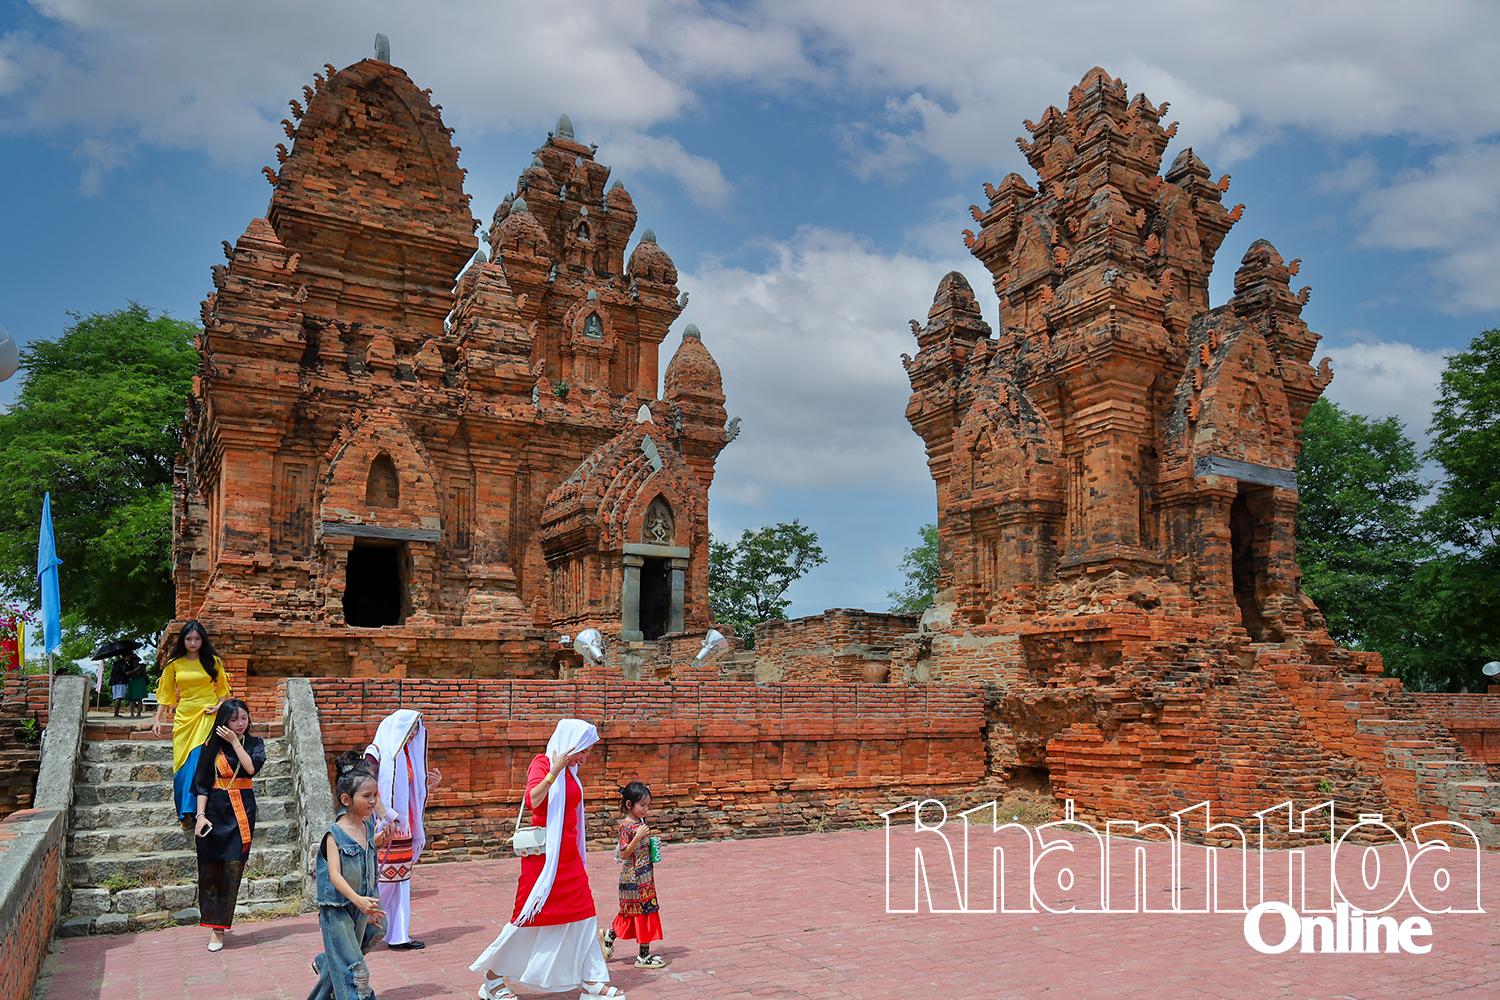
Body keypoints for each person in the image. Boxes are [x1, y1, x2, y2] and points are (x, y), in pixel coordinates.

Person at [470, 718, 622, 1000]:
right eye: (584, 751)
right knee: (527, 919)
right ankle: (491, 979)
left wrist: (567, 767)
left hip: (569, 858)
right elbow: (534, 800)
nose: (587, 757)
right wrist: (557, 768)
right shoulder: (543, 763)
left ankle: (591, 981)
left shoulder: (573, 771)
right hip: (543, 861)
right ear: (571, 746)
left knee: (585, 916)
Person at [307, 758, 389, 1000]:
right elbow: (334, 875)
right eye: (367, 796)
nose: (373, 801)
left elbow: (365, 859)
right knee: (355, 972)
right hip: (339, 909)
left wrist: (378, 841)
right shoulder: (334, 834)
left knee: (376, 931)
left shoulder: (366, 827)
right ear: (346, 800)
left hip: (362, 904)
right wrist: (359, 901)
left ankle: (326, 963)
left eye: (375, 795)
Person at [362, 710, 442, 950]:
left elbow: (409, 793)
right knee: (380, 881)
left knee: (400, 882)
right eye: (411, 728)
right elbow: (367, 791)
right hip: (381, 825)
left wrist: (429, 785)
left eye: (417, 729)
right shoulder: (375, 753)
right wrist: (388, 816)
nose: (414, 734)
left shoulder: (407, 756)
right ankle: (360, 927)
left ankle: (398, 935)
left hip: (402, 827)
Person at [191, 698, 265, 951]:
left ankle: (219, 929)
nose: (240, 723)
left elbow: (251, 769)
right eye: (234, 719)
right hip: (213, 812)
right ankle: (214, 924)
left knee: (232, 870)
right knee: (210, 870)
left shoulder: (255, 744)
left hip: (241, 811)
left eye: (243, 718)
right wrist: (200, 816)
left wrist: (235, 742)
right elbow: (201, 784)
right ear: (223, 720)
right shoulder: (209, 747)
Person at [153, 621, 232, 826]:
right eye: (189, 639)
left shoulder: (213, 661)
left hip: (207, 714)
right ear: (183, 641)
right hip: (184, 717)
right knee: (181, 765)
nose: (193, 642)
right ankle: (183, 811)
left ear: (203, 640)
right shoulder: (174, 664)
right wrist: (157, 719)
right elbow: (165, 694)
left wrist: (218, 707)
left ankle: (193, 810)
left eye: (197, 638)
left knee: (198, 759)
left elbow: (224, 692)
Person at [601, 781, 665, 969]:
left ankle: (609, 935)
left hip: (645, 875)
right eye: (642, 805)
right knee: (642, 912)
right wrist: (638, 838)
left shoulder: (641, 823)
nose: (646, 809)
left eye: (648, 805)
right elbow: (623, 854)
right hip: (633, 878)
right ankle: (643, 956)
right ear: (630, 805)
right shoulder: (626, 826)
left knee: (635, 913)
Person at [125, 653, 150, 718]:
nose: (134, 661)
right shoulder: (129, 667)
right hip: (132, 682)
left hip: (140, 682)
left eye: (136, 660)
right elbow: (127, 673)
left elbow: (144, 673)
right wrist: (135, 670)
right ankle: (132, 713)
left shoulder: (142, 666)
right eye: (133, 660)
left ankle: (139, 713)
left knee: (139, 699)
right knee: (132, 699)